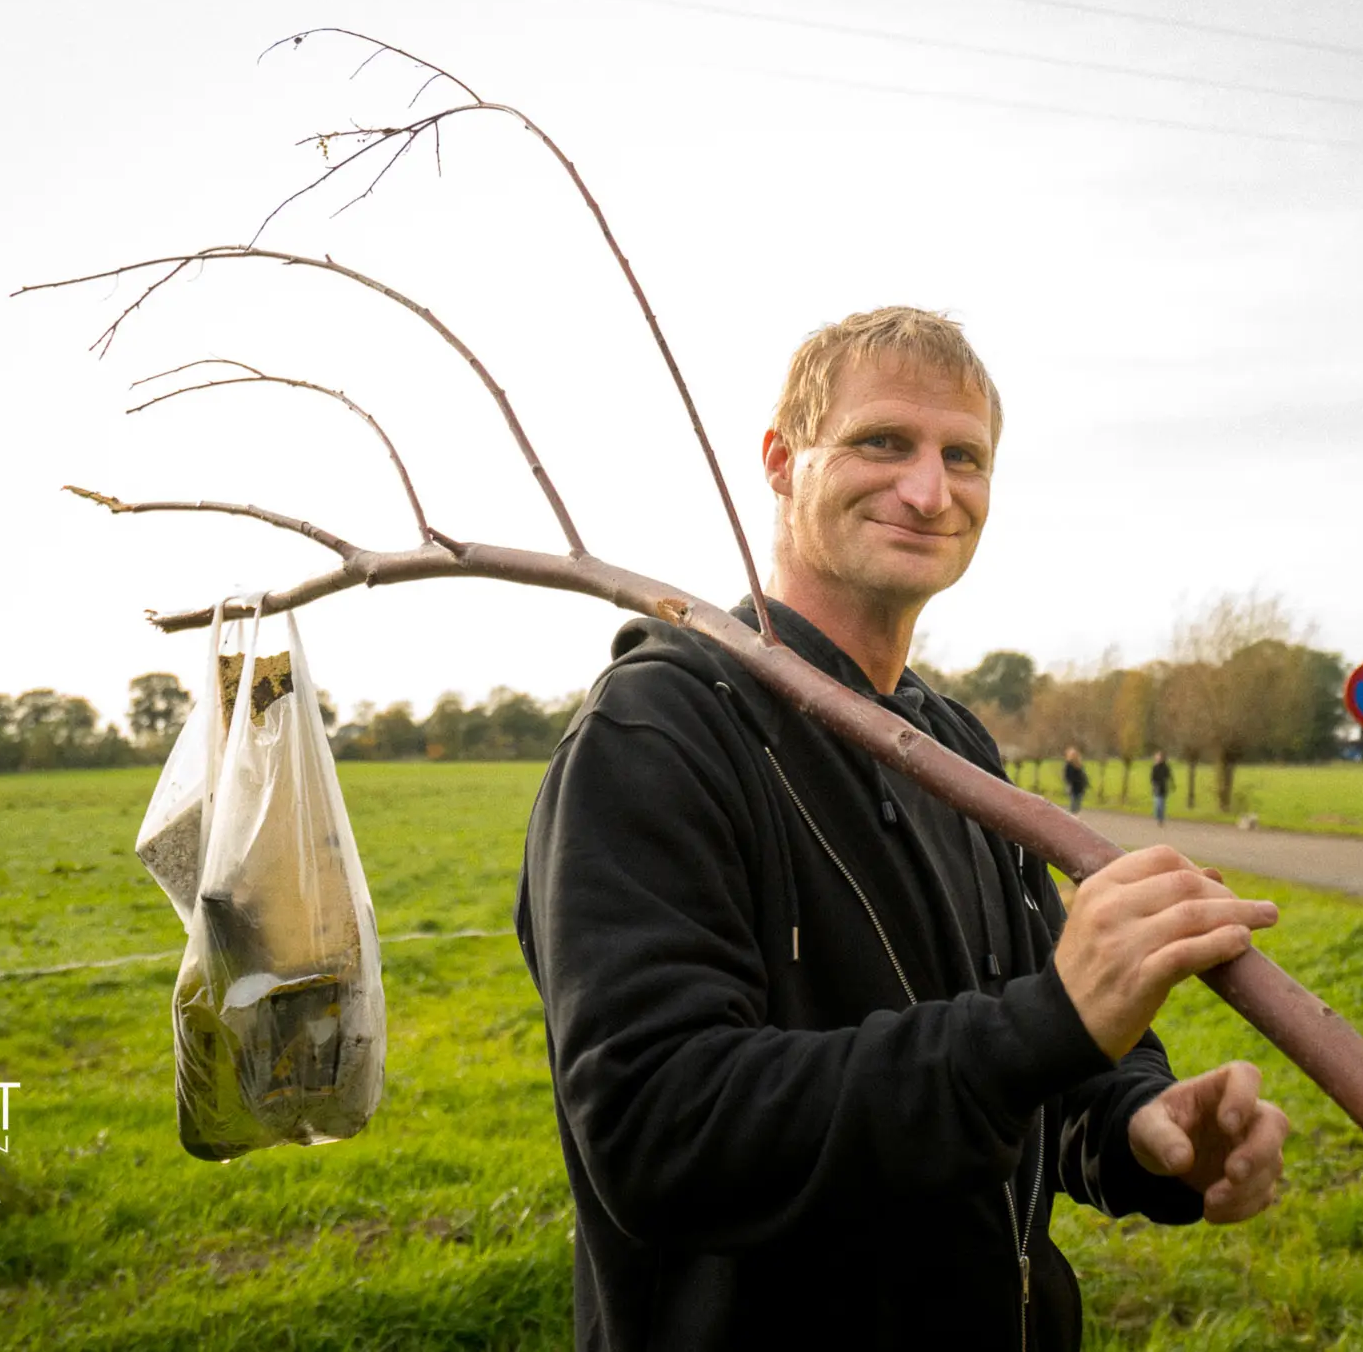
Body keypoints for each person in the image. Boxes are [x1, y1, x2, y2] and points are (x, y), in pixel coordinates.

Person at [516, 308, 1289, 1352]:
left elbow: (1034, 1060)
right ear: (781, 461)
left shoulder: (955, 747)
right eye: (883, 442)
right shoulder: (656, 733)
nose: (930, 491)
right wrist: (1049, 1021)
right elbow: (659, 1130)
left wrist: (1136, 1125)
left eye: (963, 456)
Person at [1061, 747, 1090, 816]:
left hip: (1080, 786)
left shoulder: (1079, 764)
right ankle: (1073, 814)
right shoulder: (1068, 765)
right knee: (1074, 800)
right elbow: (1067, 776)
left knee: (1078, 801)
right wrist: (1069, 784)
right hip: (1073, 785)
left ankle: (1075, 813)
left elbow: (1083, 775)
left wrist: (1086, 783)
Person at [1150, 750, 1175, 826]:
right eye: (1156, 757)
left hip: (1163, 788)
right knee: (1157, 804)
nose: (1157, 758)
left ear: (1162, 758)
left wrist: (1172, 784)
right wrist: (1153, 784)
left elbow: (1170, 776)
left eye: (1159, 757)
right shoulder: (1154, 767)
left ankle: (1161, 819)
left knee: (1161, 804)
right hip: (1156, 788)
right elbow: (1152, 778)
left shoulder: (1166, 767)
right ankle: (1158, 816)